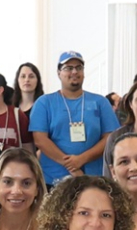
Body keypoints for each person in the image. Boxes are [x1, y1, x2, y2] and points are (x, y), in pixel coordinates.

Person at [28, 50, 118, 184]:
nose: (74, 72)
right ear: (59, 73)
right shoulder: (44, 102)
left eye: (79, 68)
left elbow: (110, 137)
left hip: (94, 178)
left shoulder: (100, 102)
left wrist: (82, 159)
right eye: (68, 68)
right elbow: (40, 140)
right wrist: (71, 165)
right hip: (53, 179)